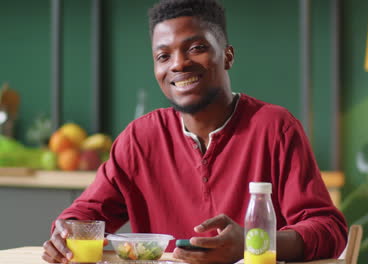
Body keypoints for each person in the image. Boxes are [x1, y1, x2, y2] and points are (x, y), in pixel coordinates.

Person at [42, 0, 347, 263]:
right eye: (164, 56)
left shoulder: (275, 128)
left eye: (196, 48)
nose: (179, 64)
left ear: (227, 55)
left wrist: (253, 243)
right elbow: (86, 216)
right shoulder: (140, 138)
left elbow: (328, 228)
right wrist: (65, 231)